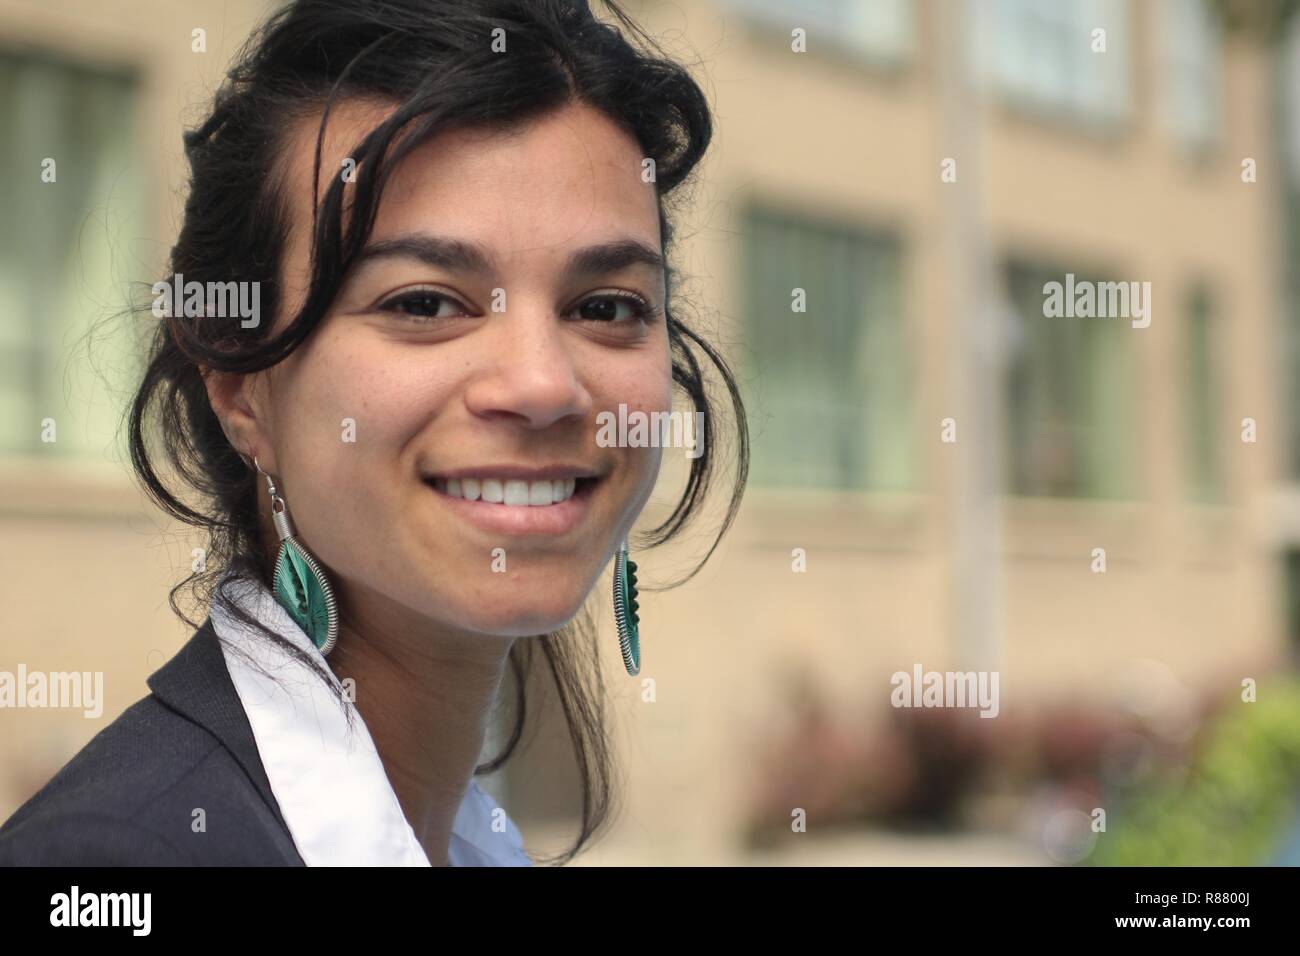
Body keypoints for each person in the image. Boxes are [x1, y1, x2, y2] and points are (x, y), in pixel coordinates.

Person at [0, 0, 747, 866]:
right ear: (242, 388)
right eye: (424, 303)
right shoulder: (108, 863)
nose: (545, 386)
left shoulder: (473, 844)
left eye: (606, 307)